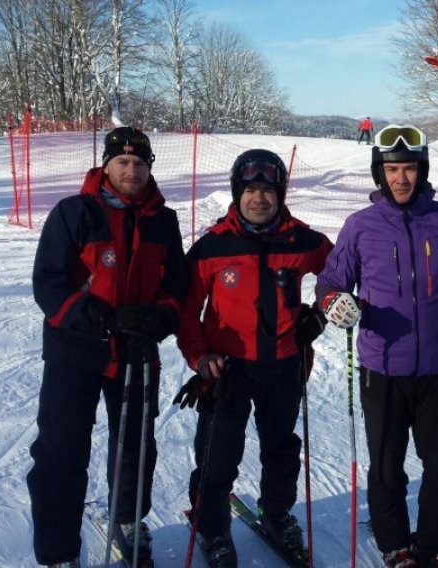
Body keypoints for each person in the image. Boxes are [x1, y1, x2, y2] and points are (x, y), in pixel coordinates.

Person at [315, 124, 438, 568]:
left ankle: (434, 547)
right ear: (379, 173)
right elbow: (331, 281)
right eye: (392, 169)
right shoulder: (360, 226)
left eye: (409, 169)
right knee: (387, 469)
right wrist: (333, 302)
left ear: (421, 171)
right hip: (381, 368)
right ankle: (395, 547)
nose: (401, 178)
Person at [27, 126, 188, 568]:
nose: (131, 170)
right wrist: (102, 317)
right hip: (75, 350)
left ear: (150, 167)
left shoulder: (164, 220)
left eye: (140, 163)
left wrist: (160, 317)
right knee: (61, 449)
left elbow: (178, 284)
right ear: (107, 165)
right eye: (123, 162)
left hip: (136, 352)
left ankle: (128, 517)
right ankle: (59, 551)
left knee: (136, 444)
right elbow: (49, 284)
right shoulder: (74, 212)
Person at [173, 148, 333, 568]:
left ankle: (277, 513)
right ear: (237, 193)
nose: (259, 199)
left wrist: (319, 314)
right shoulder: (212, 246)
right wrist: (199, 356)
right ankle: (213, 529)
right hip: (226, 370)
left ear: (280, 194)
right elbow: (186, 310)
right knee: (217, 454)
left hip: (284, 365)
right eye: (250, 190)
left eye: (268, 190)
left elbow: (341, 272)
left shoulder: (302, 240)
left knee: (281, 449)